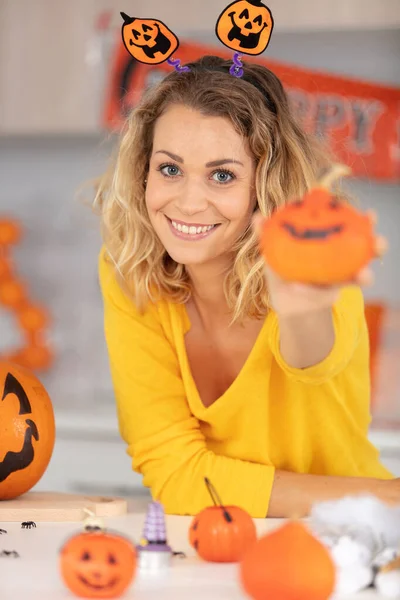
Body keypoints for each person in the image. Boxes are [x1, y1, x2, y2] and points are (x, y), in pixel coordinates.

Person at [95, 55, 397, 518]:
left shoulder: (312, 257)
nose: (189, 202)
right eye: (170, 169)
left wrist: (301, 311)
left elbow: (314, 362)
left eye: (222, 175)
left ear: (264, 185)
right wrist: (381, 496)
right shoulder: (129, 270)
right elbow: (174, 472)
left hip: (352, 534)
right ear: (143, 172)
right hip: (224, 543)